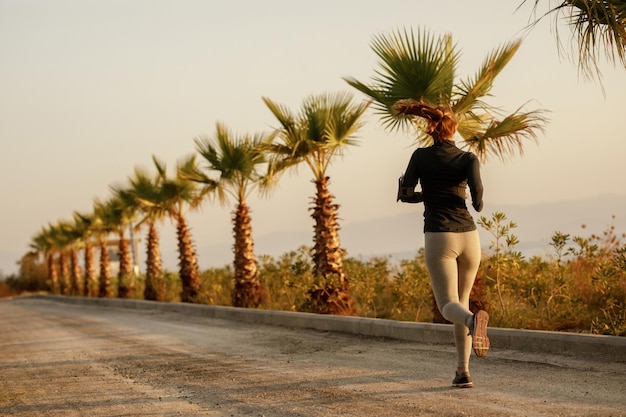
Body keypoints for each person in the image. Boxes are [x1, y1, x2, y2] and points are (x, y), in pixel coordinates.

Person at [393, 98, 490, 389]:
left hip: (439, 234)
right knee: (461, 303)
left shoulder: (420, 157)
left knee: (449, 305)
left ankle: (474, 322)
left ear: (431, 128)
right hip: (469, 236)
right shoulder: (468, 158)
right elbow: (479, 198)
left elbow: (407, 194)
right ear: (454, 129)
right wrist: (471, 197)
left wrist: (426, 195)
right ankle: (463, 371)